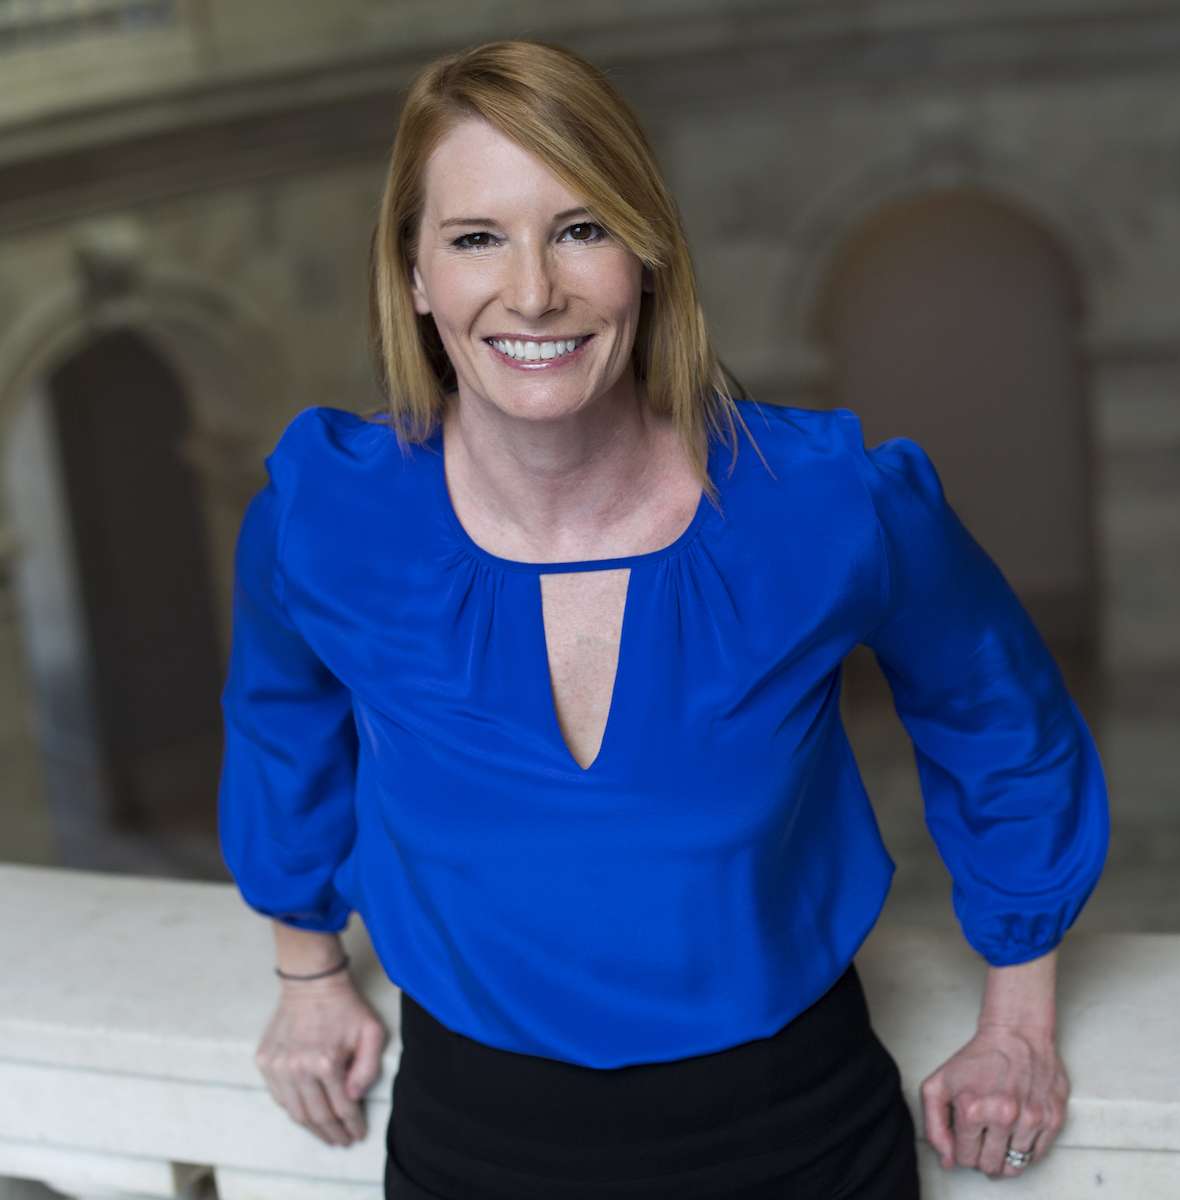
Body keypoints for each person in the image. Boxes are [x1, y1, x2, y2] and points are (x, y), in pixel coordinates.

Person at [219, 39, 1109, 1200]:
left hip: (797, 1144)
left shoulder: (829, 504)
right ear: (416, 273)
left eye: (580, 228)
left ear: (647, 254)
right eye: (477, 236)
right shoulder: (324, 513)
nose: (532, 290)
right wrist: (306, 969)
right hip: (469, 1150)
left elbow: (1001, 717)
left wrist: (1021, 1017)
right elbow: (282, 720)